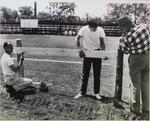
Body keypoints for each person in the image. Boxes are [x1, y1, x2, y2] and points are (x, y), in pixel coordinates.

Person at [118, 16, 149, 120]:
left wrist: (123, 37)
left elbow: (125, 50)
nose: (120, 29)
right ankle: (147, 108)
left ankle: (135, 109)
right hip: (148, 57)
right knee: (146, 84)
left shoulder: (126, 37)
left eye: (121, 27)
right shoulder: (144, 27)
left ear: (125, 26)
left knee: (135, 84)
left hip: (136, 59)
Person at [74, 19, 106, 100]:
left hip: (97, 52)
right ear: (89, 27)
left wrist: (103, 53)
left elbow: (102, 42)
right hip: (86, 52)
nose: (95, 29)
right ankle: (82, 92)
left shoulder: (100, 29)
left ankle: (97, 93)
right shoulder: (83, 29)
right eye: (93, 28)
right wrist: (80, 50)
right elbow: (77, 38)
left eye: (96, 27)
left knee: (97, 74)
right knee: (85, 73)